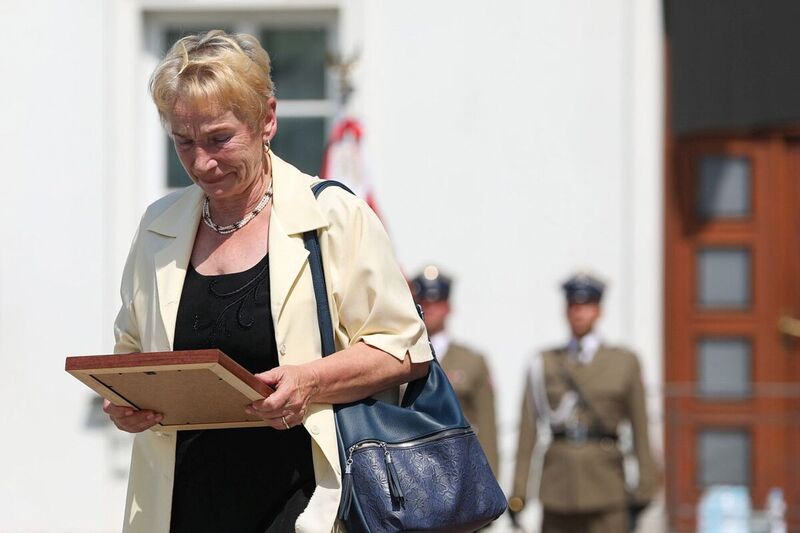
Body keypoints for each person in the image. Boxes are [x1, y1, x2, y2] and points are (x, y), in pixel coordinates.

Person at [102, 30, 432, 533]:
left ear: (268, 120)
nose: (200, 163)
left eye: (218, 139)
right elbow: (131, 351)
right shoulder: (157, 227)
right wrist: (122, 400)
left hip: (305, 503)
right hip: (179, 506)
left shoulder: (333, 215)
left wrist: (310, 379)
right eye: (183, 142)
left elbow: (403, 350)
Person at [508, 272, 658, 533]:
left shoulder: (623, 362)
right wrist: (519, 491)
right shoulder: (544, 362)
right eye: (574, 306)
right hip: (558, 487)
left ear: (599, 311)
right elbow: (527, 432)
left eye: (586, 306)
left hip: (606, 487)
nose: (579, 313)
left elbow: (640, 427)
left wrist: (646, 486)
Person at [409, 265, 499, 474]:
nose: (430, 308)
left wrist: (490, 476)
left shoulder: (472, 361)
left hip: (462, 468)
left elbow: (487, 425)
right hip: (414, 467)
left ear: (448, 307)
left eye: (437, 302)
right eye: (424, 302)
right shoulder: (400, 357)